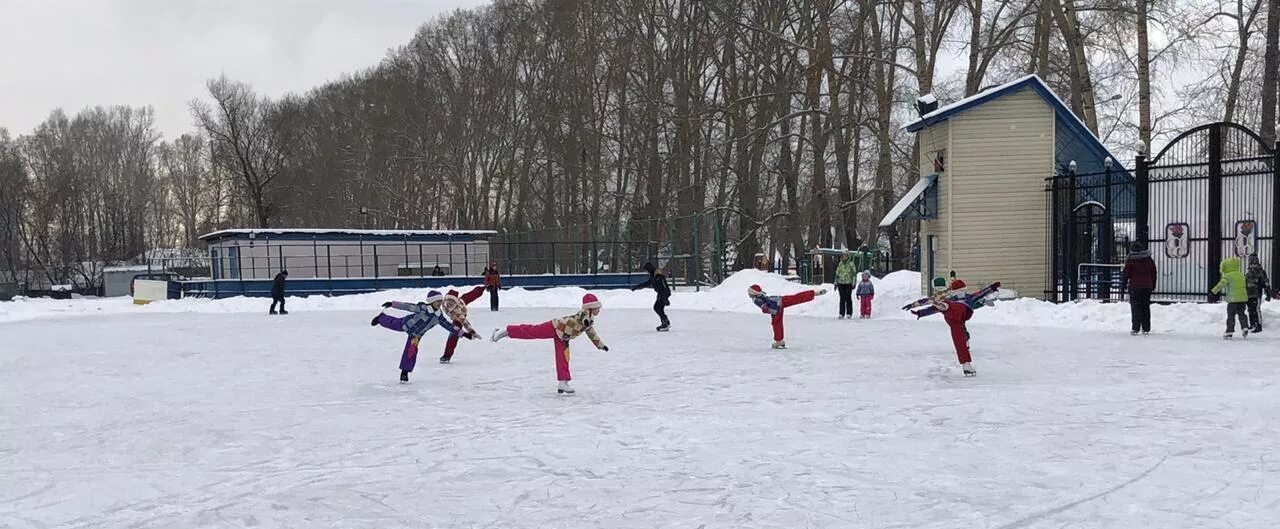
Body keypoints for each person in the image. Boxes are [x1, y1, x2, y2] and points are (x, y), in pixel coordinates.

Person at [491, 293, 609, 395]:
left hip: (563, 336)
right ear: (590, 308)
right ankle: (505, 331)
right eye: (597, 308)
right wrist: (586, 321)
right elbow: (582, 318)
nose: (599, 310)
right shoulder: (585, 315)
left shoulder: (590, 319)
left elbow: (591, 332)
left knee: (563, 358)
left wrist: (600, 345)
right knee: (532, 331)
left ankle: (563, 382)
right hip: (555, 326)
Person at [370, 290, 476, 383]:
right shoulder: (422, 308)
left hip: (416, 335)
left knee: (411, 351)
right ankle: (381, 318)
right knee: (392, 323)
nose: (440, 304)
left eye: (440, 301)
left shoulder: (438, 316)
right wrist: (392, 304)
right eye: (438, 301)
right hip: (406, 324)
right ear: (432, 301)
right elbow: (407, 306)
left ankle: (405, 372)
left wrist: (464, 334)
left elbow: (450, 327)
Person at [747, 284, 827, 349]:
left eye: (749, 293)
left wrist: (768, 310)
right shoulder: (761, 295)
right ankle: (814, 293)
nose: (748, 294)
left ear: (753, 293)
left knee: (776, 324)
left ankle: (779, 341)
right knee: (796, 298)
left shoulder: (756, 299)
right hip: (780, 299)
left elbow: (764, 307)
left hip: (776, 308)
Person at [930, 284, 978, 377]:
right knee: (960, 343)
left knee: (961, 341)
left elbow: (978, 298)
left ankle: (966, 363)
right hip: (955, 316)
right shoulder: (952, 301)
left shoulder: (965, 299)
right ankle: (966, 365)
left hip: (958, 318)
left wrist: (989, 291)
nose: (963, 292)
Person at [438, 286, 486, 364]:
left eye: (452, 301)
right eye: (449, 301)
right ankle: (447, 355)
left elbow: (464, 321)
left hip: (460, 311)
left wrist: (472, 332)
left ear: (455, 301)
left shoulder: (457, 307)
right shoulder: (445, 304)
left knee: (470, 295)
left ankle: (483, 288)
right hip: (456, 316)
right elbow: (464, 322)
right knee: (454, 335)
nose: (449, 303)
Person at [1210, 257, 1251, 339]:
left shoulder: (1228, 276)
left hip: (1233, 299)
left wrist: (1213, 291)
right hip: (1242, 299)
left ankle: (1229, 331)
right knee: (1242, 314)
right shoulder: (1241, 275)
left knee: (1231, 315)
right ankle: (1245, 327)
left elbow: (1221, 284)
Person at [1123, 242, 1157, 335]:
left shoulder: (1131, 260)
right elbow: (1154, 272)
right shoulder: (1148, 259)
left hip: (1135, 286)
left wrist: (1123, 285)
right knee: (1145, 306)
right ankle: (1146, 328)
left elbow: (1126, 274)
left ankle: (1135, 328)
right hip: (1147, 286)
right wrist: (1153, 284)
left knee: (1136, 307)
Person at [631, 262, 672, 331]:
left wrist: (665, 297)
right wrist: (636, 287)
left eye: (647, 270)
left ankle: (665, 322)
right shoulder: (653, 276)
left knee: (657, 307)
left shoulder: (658, 276)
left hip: (663, 293)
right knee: (659, 308)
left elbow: (665, 287)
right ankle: (665, 322)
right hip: (660, 293)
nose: (647, 272)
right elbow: (647, 283)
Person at [1245, 254, 1270, 333]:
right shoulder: (1248, 272)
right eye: (1251, 262)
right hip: (1249, 293)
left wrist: (1267, 292)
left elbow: (1266, 282)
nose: (1252, 264)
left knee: (1256, 309)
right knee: (1250, 309)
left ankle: (1258, 325)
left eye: (1254, 262)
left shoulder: (1261, 272)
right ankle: (1252, 324)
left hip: (1256, 293)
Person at [834, 252, 856, 319]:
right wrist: (835, 283)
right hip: (841, 283)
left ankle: (849, 313)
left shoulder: (851, 264)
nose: (844, 257)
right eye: (843, 256)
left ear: (848, 256)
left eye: (846, 256)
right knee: (842, 298)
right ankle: (841, 313)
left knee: (848, 298)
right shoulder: (840, 264)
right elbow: (837, 274)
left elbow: (854, 274)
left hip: (848, 283)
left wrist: (854, 283)